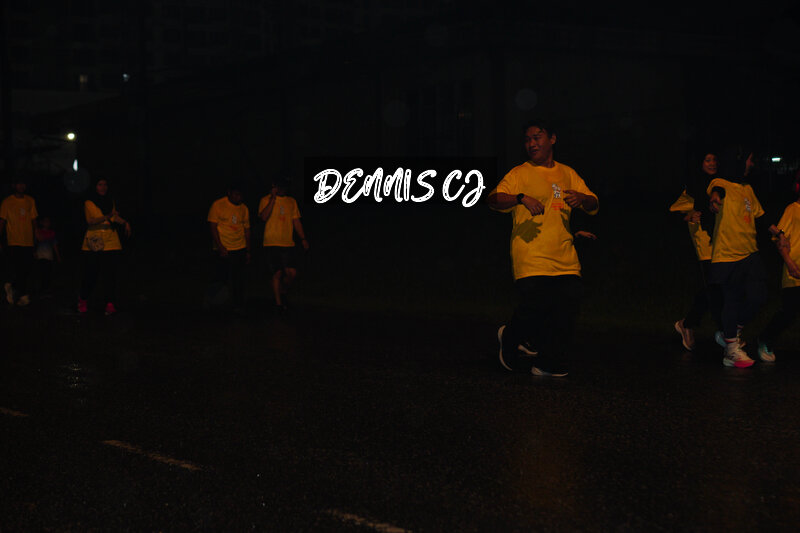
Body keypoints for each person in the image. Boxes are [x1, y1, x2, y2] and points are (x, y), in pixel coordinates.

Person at [488, 120, 599, 377]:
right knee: (537, 304)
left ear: (552, 139)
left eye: (537, 137)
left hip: (564, 255)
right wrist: (520, 198)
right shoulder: (519, 173)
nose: (531, 143)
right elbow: (493, 199)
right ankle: (511, 337)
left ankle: (548, 363)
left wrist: (583, 198)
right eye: (527, 139)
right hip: (531, 253)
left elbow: (593, 204)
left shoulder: (567, 173)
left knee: (567, 307)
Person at [706, 149, 767, 367]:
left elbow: (760, 216)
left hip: (750, 252)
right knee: (732, 299)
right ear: (739, 161)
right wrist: (715, 199)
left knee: (758, 297)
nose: (752, 163)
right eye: (749, 160)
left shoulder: (748, 189)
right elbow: (717, 191)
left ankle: (730, 333)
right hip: (728, 254)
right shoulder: (720, 182)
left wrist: (778, 233)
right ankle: (731, 350)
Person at [671, 151, 723, 350]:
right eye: (708, 160)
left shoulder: (719, 185)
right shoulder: (693, 187)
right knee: (715, 287)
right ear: (700, 163)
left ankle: (687, 323)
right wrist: (688, 216)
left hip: (722, 242)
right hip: (705, 245)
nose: (712, 163)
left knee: (714, 288)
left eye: (714, 159)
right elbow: (673, 212)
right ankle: (726, 335)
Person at [756, 172, 800, 362]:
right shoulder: (793, 209)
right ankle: (765, 338)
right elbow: (779, 239)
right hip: (795, 270)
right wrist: (789, 263)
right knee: (789, 312)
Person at [78, 178, 132, 315]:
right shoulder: (89, 202)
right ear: (95, 186)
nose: (103, 187)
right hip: (95, 242)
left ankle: (110, 303)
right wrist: (108, 216)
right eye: (100, 184)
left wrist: (125, 222)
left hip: (111, 241)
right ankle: (83, 299)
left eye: (105, 185)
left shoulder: (110, 201)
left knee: (110, 274)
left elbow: (113, 217)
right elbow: (91, 221)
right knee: (91, 274)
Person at [258, 178, 309, 312]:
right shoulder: (265, 200)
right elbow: (263, 217)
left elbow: (296, 221)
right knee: (277, 273)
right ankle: (279, 304)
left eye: (284, 187)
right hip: (271, 242)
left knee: (292, 273)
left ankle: (282, 292)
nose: (282, 189)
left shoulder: (291, 201)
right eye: (279, 187)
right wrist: (273, 199)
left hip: (287, 243)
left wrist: (303, 238)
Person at [207, 183, 251, 314]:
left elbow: (247, 230)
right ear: (229, 193)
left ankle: (238, 305)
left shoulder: (244, 208)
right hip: (224, 247)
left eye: (240, 195)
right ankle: (215, 303)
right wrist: (220, 247)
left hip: (239, 247)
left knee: (239, 278)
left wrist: (248, 250)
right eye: (236, 194)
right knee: (221, 277)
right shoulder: (218, 205)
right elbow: (213, 227)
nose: (239, 198)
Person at [0, 177, 38, 307]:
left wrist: (36, 233)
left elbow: (33, 219)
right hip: (14, 240)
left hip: (28, 240)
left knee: (26, 268)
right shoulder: (7, 202)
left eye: (23, 184)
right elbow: (2, 221)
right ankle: (22, 295)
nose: (21, 186)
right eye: (19, 184)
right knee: (18, 268)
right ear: (14, 185)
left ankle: (12, 287)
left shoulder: (30, 200)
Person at [34, 216, 61, 296]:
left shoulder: (52, 233)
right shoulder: (39, 232)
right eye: (46, 221)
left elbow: (55, 245)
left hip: (49, 256)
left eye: (48, 221)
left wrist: (58, 256)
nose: (47, 223)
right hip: (40, 256)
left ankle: (46, 289)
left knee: (48, 273)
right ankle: (41, 290)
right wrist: (34, 252)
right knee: (42, 273)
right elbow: (35, 243)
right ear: (42, 222)